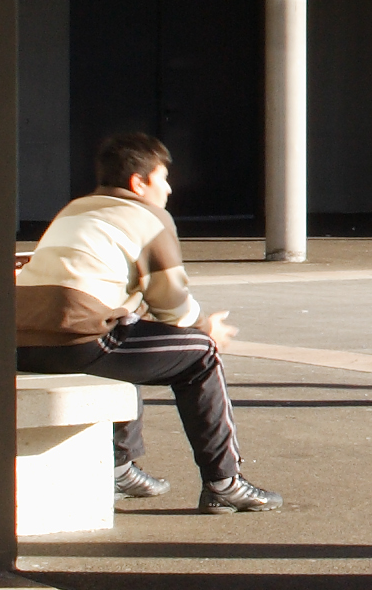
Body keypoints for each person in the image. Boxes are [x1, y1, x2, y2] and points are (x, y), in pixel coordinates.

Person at [17, 130, 282, 513]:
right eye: (163, 178)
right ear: (139, 182)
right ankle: (224, 483)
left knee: (130, 328)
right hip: (76, 340)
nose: (170, 189)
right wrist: (205, 327)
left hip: (20, 345)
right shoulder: (148, 218)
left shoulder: (75, 208)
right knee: (200, 355)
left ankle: (120, 468)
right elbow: (172, 303)